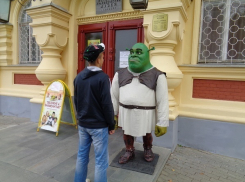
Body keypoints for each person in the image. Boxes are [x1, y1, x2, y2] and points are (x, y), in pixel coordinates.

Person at [111, 43, 169, 164]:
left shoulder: (158, 75)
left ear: (147, 54)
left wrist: (163, 122)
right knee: (127, 132)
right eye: (131, 52)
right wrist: (113, 115)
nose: (133, 55)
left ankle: (148, 149)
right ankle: (129, 150)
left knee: (146, 132)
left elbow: (163, 100)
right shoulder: (119, 74)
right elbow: (114, 96)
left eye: (138, 52)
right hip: (126, 112)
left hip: (146, 113)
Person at [74, 43, 115, 182]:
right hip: (99, 126)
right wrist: (111, 124)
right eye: (102, 57)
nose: (103, 60)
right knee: (101, 161)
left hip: (83, 124)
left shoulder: (78, 77)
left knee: (82, 156)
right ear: (98, 59)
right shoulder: (103, 78)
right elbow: (107, 104)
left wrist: (80, 118)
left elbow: (76, 101)